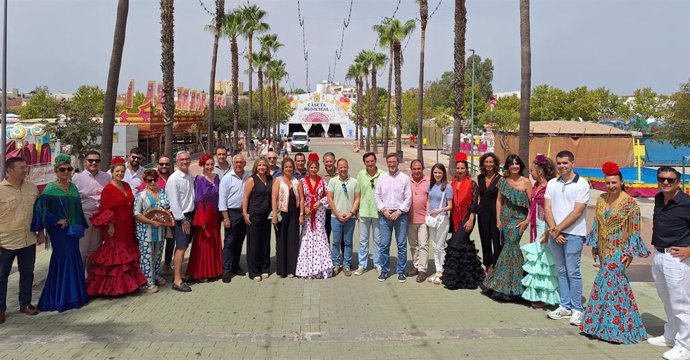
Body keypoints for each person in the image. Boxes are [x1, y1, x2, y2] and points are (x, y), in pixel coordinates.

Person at [580, 162, 649, 344]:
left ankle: (611, 328)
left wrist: (630, 253)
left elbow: (634, 230)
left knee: (606, 281)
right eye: (608, 183)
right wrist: (594, 245)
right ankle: (623, 325)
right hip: (604, 249)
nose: (611, 186)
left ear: (621, 182)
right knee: (616, 286)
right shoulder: (602, 199)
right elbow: (597, 223)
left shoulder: (630, 203)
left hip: (619, 251)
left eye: (614, 183)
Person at [32, 154, 89, 311]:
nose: (66, 172)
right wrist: (56, 220)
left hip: (72, 231)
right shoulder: (50, 188)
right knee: (63, 258)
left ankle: (75, 296)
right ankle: (60, 298)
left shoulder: (73, 187)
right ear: (56, 171)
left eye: (69, 169)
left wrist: (78, 223)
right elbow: (39, 209)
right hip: (59, 231)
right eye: (62, 169)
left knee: (74, 257)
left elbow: (78, 208)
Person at [86, 157, 147, 296]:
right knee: (115, 254)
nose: (120, 173)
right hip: (114, 226)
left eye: (122, 171)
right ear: (112, 172)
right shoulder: (108, 189)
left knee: (126, 252)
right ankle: (110, 288)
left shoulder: (125, 185)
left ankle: (128, 285)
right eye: (117, 171)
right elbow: (106, 209)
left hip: (127, 225)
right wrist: (110, 226)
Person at [647, 166, 690, 360]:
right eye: (661, 179)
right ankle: (671, 335)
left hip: (677, 258)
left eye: (670, 180)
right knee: (667, 300)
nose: (665, 182)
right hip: (659, 255)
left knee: (681, 303)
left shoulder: (686, 203)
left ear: (678, 183)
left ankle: (686, 345)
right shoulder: (658, 198)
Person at [545, 150, 590, 326]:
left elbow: (577, 211)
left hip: (573, 234)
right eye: (559, 163)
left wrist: (559, 229)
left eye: (565, 163)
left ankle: (577, 309)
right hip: (554, 232)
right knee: (561, 271)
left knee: (573, 272)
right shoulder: (552, 183)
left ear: (572, 163)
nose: (562, 166)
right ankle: (564, 305)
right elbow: (547, 208)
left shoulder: (582, 184)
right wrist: (553, 230)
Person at [481, 154, 531, 301]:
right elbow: (499, 201)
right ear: (508, 166)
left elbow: (532, 204)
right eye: (512, 164)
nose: (514, 166)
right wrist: (498, 219)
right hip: (505, 218)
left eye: (517, 164)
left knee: (511, 246)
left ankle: (509, 284)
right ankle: (510, 284)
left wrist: (527, 220)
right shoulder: (503, 181)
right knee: (509, 249)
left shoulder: (526, 182)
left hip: (519, 220)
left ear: (520, 166)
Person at [0, 157, 41, 323]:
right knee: (2, 277)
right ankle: (1, 309)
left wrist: (41, 232)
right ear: (9, 171)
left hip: (28, 240)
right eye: (21, 168)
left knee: (27, 273)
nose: (25, 170)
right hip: (6, 242)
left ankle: (25, 303)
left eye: (26, 167)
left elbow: (38, 214)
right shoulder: (1, 190)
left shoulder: (32, 188)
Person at [521, 154, 559, 308]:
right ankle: (536, 293)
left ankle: (545, 295)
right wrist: (526, 220)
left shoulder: (552, 186)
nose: (530, 173)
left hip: (546, 225)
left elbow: (555, 209)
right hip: (534, 226)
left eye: (532, 170)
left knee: (544, 260)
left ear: (540, 171)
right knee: (536, 258)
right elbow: (532, 206)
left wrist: (551, 230)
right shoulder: (535, 186)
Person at [441, 153, 484, 289]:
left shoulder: (472, 184)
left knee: (456, 243)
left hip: (467, 217)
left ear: (467, 169)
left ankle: (455, 278)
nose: (460, 171)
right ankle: (469, 277)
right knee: (464, 246)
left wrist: (471, 219)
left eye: (462, 168)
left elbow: (474, 203)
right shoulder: (452, 184)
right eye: (458, 168)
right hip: (454, 218)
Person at [72, 150, 111, 274]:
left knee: (96, 250)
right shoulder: (77, 178)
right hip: (85, 218)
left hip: (101, 219)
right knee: (82, 250)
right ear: (85, 162)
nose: (94, 163)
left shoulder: (106, 177)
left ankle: (92, 281)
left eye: (97, 160)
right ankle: (79, 282)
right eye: (91, 160)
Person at [375, 153, 412, 283]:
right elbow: (377, 196)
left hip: (400, 216)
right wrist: (383, 210)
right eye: (389, 162)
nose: (392, 164)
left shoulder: (405, 178)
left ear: (398, 162)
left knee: (401, 245)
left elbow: (408, 197)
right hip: (385, 216)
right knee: (384, 245)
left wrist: (399, 211)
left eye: (394, 162)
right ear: (386, 162)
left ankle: (400, 271)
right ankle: (384, 270)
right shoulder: (382, 178)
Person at [186, 154, 223, 281]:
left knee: (214, 241)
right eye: (207, 164)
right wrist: (201, 219)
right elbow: (198, 200)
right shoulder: (199, 179)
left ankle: (215, 270)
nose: (210, 167)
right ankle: (201, 272)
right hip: (204, 214)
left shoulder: (217, 177)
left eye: (212, 164)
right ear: (202, 165)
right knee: (203, 243)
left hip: (215, 215)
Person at [296, 153, 333, 279]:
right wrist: (303, 209)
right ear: (308, 168)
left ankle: (321, 268)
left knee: (320, 236)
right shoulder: (302, 181)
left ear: (318, 168)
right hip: (307, 213)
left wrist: (320, 202)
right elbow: (300, 198)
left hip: (319, 212)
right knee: (307, 236)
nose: (313, 170)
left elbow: (328, 196)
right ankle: (306, 268)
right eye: (311, 168)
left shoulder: (322, 181)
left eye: (315, 168)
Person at [133, 169, 170, 293]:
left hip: (160, 230)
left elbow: (167, 208)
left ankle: (154, 276)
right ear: (145, 181)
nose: (153, 182)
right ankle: (146, 282)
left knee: (157, 255)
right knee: (146, 257)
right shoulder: (141, 196)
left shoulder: (162, 193)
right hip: (146, 231)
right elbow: (136, 214)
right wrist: (150, 222)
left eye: (155, 179)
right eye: (150, 180)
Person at [165, 151, 196, 293]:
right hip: (181, 217)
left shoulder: (189, 175)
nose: (185, 162)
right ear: (177, 162)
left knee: (184, 246)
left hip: (191, 214)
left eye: (187, 159)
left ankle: (180, 274)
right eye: (181, 160)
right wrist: (183, 219)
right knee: (181, 247)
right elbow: (174, 203)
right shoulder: (173, 179)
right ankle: (177, 280)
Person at [327, 158, 360, 277]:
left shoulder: (354, 182)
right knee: (335, 242)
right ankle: (336, 264)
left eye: (345, 167)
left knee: (348, 242)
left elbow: (357, 198)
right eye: (341, 167)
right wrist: (337, 213)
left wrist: (351, 213)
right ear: (338, 168)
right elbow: (329, 198)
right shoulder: (333, 181)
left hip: (349, 218)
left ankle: (346, 264)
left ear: (348, 167)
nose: (343, 169)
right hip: (335, 217)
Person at [219, 154, 249, 283]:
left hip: (244, 213)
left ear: (245, 163)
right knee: (230, 242)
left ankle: (236, 266)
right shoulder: (227, 178)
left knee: (240, 241)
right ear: (233, 163)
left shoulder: (248, 177)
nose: (239, 164)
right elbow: (222, 199)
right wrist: (225, 217)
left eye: (241, 162)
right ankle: (226, 270)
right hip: (232, 213)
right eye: (236, 162)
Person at [272, 157, 304, 277]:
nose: (288, 169)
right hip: (282, 213)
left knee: (293, 240)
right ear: (283, 168)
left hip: (294, 214)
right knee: (281, 241)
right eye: (286, 167)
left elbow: (301, 199)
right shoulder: (278, 181)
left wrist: (301, 214)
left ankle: (292, 269)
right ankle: (282, 269)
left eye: (290, 167)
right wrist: (274, 215)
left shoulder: (297, 181)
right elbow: (274, 199)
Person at [243, 157, 273, 282]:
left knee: (265, 242)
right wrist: (245, 213)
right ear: (256, 166)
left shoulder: (270, 179)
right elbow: (245, 197)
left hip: (267, 215)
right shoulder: (252, 179)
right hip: (254, 215)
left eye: (264, 165)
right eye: (259, 165)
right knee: (254, 244)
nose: (262, 167)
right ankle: (254, 271)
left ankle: (264, 267)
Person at [355, 152, 384, 275]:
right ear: (364, 163)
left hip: (378, 213)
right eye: (367, 162)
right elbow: (358, 194)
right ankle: (362, 265)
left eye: (372, 161)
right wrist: (356, 211)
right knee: (363, 240)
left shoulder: (383, 174)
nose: (370, 163)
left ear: (375, 161)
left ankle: (378, 264)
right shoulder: (361, 174)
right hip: (364, 212)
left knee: (378, 240)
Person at [425, 163, 453, 285]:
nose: (437, 175)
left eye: (439, 172)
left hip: (442, 219)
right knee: (435, 246)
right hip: (432, 220)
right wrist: (427, 213)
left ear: (443, 173)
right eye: (435, 172)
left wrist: (439, 210)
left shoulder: (447, 187)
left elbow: (450, 206)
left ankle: (442, 271)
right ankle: (438, 270)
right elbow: (429, 200)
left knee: (440, 246)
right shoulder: (430, 185)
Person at [477, 152, 502, 274]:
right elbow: (479, 196)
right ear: (483, 163)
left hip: (495, 213)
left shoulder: (500, 178)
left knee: (496, 240)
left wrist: (500, 218)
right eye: (486, 162)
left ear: (495, 163)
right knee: (485, 239)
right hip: (482, 213)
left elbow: (500, 199)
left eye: (491, 162)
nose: (489, 164)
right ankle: (488, 265)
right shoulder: (480, 178)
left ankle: (496, 266)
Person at [407, 159, 430, 282]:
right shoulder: (407, 180)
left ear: (422, 169)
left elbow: (432, 198)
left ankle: (422, 270)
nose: (417, 171)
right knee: (413, 245)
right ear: (411, 170)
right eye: (414, 169)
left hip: (423, 220)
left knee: (423, 245)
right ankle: (416, 266)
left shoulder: (429, 181)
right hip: (409, 219)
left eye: (419, 168)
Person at [322, 152, 338, 241]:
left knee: (340, 236)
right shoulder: (319, 175)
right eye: (326, 162)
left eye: (331, 161)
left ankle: (343, 254)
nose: (329, 164)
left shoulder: (341, 172)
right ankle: (327, 254)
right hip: (325, 211)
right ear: (323, 162)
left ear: (334, 161)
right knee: (325, 234)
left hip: (338, 209)